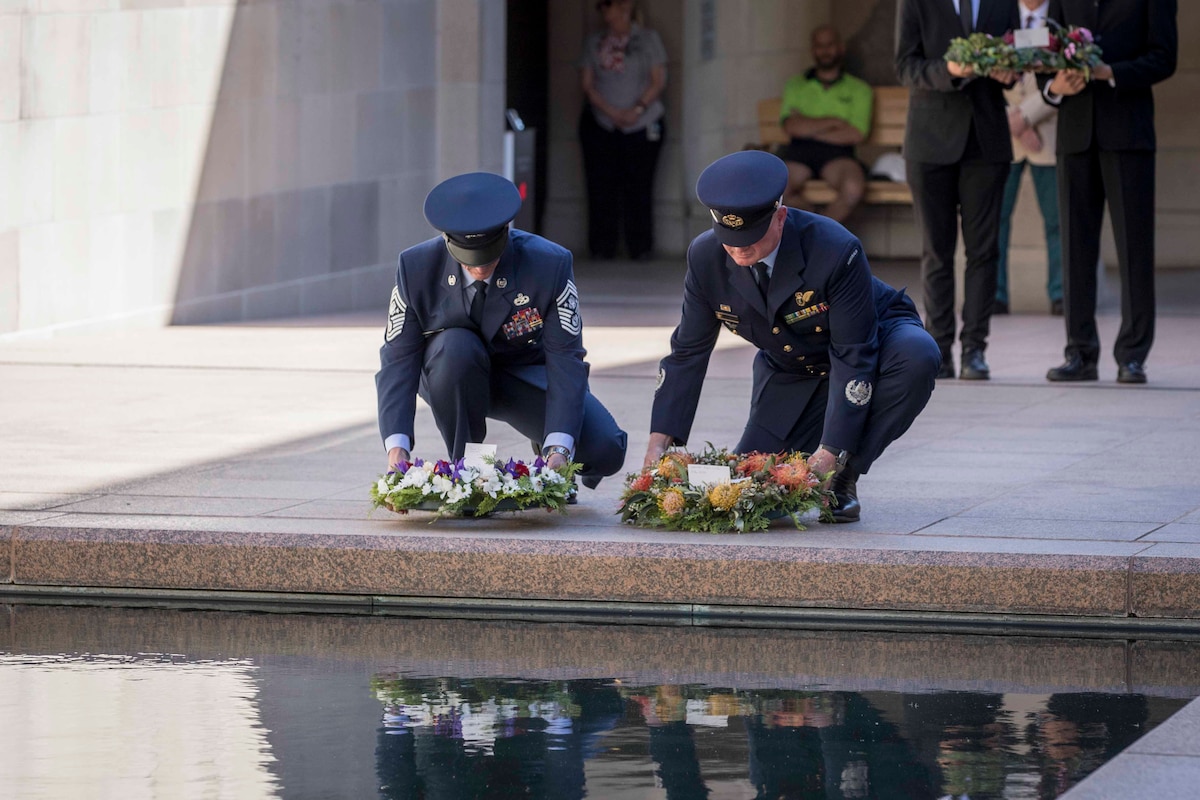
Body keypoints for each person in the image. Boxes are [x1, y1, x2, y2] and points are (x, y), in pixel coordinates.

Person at [643, 150, 941, 522]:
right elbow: (687, 353)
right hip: (792, 368)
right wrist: (661, 444)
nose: (738, 248)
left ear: (780, 217)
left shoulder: (834, 248)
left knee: (918, 356)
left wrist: (830, 454)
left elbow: (853, 354)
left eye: (750, 236)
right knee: (754, 491)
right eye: (728, 237)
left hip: (873, 344)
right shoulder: (705, 257)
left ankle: (845, 476)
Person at [375, 172, 628, 490]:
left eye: (489, 257)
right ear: (447, 240)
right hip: (452, 373)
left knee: (606, 449)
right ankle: (466, 468)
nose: (480, 269)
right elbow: (398, 361)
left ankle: (548, 453)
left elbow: (566, 357)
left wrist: (560, 448)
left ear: (506, 235)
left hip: (521, 373)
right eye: (469, 261)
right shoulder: (416, 268)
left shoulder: (549, 264)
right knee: (456, 345)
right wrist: (397, 452)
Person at [1042, 0, 1177, 384]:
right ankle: (1080, 353)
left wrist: (1110, 72)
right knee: (1074, 250)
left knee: (1134, 249)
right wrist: (1054, 86)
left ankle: (1132, 355)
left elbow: (1165, 58)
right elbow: (1046, 54)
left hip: (1128, 135)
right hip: (1075, 135)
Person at [895, 0, 1020, 380]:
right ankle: (939, 348)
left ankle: (975, 349)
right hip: (930, 142)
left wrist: (1008, 73)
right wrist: (948, 69)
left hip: (987, 141)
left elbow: (1016, 61)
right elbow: (905, 66)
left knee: (984, 250)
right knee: (937, 251)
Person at [577, 0, 668, 261]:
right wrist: (612, 112)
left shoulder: (648, 38)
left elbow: (658, 79)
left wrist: (636, 110)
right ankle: (602, 246)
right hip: (602, 123)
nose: (607, 13)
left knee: (639, 186)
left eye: (611, 6)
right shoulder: (594, 41)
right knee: (601, 187)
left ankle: (640, 246)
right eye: (603, 8)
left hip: (643, 122)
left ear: (625, 7)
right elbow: (587, 83)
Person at [994, 0, 1063, 317]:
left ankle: (1061, 294)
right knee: (994, 220)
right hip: (1002, 133)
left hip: (1047, 133)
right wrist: (1014, 121)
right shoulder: (999, 12)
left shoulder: (1060, 12)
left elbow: (1066, 74)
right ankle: (994, 295)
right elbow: (986, 69)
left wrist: (1028, 116)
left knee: (1057, 221)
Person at [778, 24, 873, 224]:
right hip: (799, 151)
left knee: (853, 188)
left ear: (840, 47)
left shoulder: (860, 89)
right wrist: (834, 122)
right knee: (775, 190)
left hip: (838, 153)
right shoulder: (796, 85)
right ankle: (817, 224)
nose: (825, 50)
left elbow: (856, 134)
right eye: (819, 45)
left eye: (830, 44)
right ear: (813, 49)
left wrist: (808, 126)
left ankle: (821, 231)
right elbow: (791, 126)